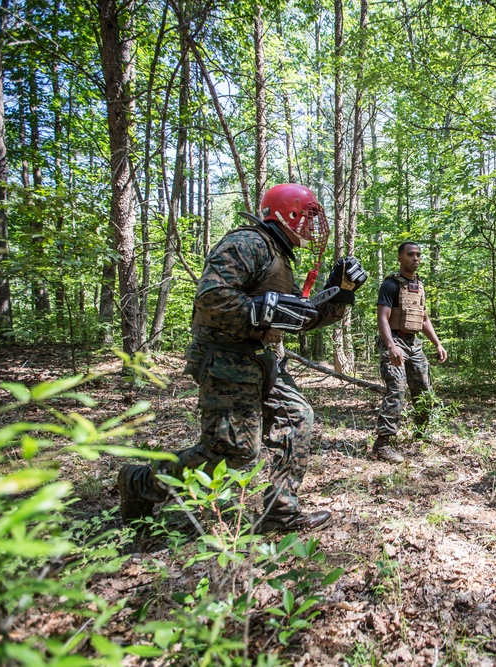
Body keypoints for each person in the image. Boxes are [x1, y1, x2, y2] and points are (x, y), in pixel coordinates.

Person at [118, 183, 367, 532]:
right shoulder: (249, 243)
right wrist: (259, 310)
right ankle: (139, 482)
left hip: (263, 361)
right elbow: (211, 296)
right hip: (226, 360)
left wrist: (341, 293)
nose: (313, 226)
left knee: (297, 418)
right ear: (287, 213)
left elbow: (301, 316)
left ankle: (280, 512)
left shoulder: (279, 257)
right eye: (308, 216)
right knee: (231, 451)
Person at [371, 242, 448, 463]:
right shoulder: (391, 285)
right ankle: (382, 445)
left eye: (418, 255)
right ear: (400, 258)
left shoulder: (419, 285)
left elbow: (423, 318)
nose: (415, 258)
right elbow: (382, 318)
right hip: (394, 341)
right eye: (410, 255)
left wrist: (437, 344)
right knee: (397, 389)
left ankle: (421, 433)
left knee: (424, 389)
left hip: (414, 344)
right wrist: (391, 346)